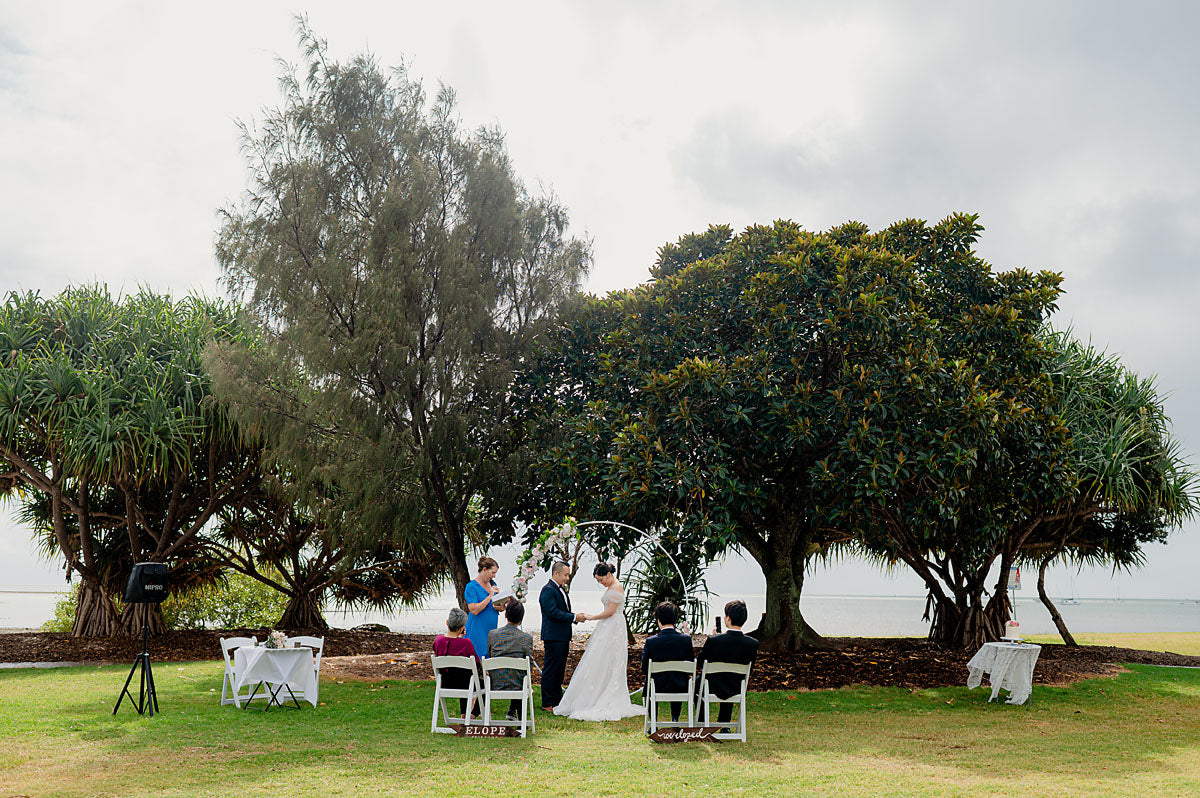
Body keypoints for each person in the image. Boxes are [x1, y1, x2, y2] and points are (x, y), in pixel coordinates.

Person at [553, 563, 644, 721]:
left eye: (602, 580)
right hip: (608, 626)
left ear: (608, 574)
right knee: (599, 659)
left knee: (609, 660)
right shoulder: (612, 587)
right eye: (598, 581)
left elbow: (610, 612)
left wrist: (591, 617)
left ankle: (605, 695)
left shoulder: (616, 587)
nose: (601, 583)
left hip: (614, 626)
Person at [695, 599, 759, 726]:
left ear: (728, 618)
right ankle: (725, 724)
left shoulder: (714, 641)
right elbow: (750, 669)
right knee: (730, 678)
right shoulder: (752, 644)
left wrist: (714, 637)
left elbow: (700, 662)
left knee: (697, 683)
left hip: (712, 686)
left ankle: (701, 721)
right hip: (736, 687)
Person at [539, 560, 584, 711]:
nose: (567, 578)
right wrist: (574, 617)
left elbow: (562, 610)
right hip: (553, 636)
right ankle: (547, 703)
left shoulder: (560, 589)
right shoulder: (547, 590)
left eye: (568, 575)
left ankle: (557, 700)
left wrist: (575, 617)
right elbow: (552, 612)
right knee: (551, 669)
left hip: (562, 636)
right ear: (556, 573)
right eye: (565, 575)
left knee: (559, 670)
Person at [640, 600, 695, 722]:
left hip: (657, 685)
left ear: (658, 619)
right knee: (678, 677)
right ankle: (675, 718)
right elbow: (690, 663)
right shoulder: (685, 640)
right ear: (675, 620)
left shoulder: (651, 641)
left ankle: (653, 720)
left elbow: (644, 668)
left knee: (649, 681)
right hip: (680, 685)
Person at [487, 601, 535, 720]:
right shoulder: (526, 638)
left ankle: (513, 712)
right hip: (517, 684)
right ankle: (519, 718)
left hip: (495, 682)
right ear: (521, 618)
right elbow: (529, 663)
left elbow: (490, 654)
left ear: (506, 615)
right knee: (519, 674)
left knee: (515, 673)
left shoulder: (492, 634)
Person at [432, 607, 481, 717]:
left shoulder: (438, 640)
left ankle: (464, 713)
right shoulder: (466, 643)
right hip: (465, 684)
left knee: (463, 675)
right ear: (462, 628)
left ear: (447, 623)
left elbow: (444, 648)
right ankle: (473, 714)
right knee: (483, 682)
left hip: (444, 683)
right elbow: (476, 663)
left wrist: (458, 638)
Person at [464, 556, 501, 660]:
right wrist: (489, 596)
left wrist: (502, 605)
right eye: (492, 573)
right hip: (477, 627)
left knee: (489, 655)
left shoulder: (492, 584)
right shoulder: (471, 586)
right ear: (484, 569)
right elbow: (474, 609)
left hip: (491, 628)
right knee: (477, 656)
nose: (494, 576)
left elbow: (492, 606)